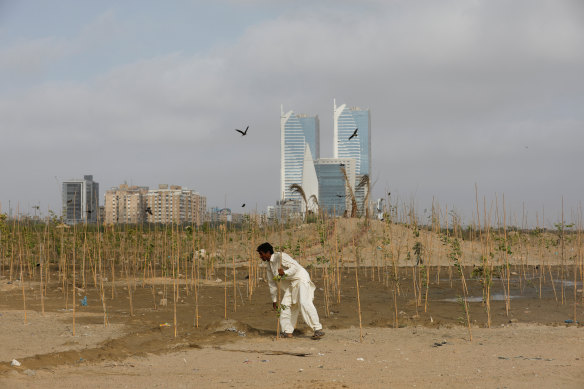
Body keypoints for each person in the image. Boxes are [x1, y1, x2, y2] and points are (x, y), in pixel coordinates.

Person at [257, 242, 325, 340]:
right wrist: (274, 300)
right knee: (284, 305)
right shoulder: (269, 265)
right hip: (292, 284)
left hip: (301, 278)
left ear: (267, 252)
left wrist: (285, 273)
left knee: (303, 302)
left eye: (261, 254)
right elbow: (272, 283)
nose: (260, 256)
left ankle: (317, 329)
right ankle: (287, 332)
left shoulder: (280, 256)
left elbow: (296, 267)